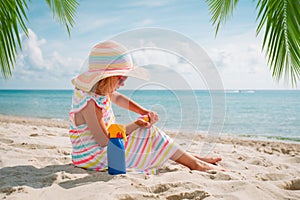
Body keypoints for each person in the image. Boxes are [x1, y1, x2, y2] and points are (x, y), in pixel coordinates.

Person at [69, 40, 225, 174]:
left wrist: (143, 112)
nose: (123, 83)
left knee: (148, 135)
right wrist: (136, 124)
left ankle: (191, 158)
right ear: (106, 78)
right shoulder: (90, 104)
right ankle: (195, 164)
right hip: (93, 157)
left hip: (103, 150)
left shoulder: (101, 91)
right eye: (121, 79)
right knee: (148, 132)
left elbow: (119, 99)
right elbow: (103, 141)